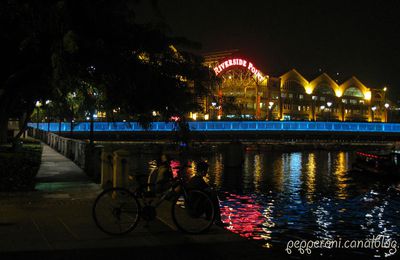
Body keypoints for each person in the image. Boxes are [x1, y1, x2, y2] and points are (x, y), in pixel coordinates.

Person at [186, 160, 228, 227]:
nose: (207, 172)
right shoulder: (199, 181)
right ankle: (217, 220)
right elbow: (208, 190)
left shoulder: (194, 179)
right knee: (213, 197)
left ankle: (211, 219)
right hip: (195, 209)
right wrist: (219, 194)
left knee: (211, 195)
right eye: (206, 170)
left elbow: (206, 188)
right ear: (203, 171)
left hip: (190, 206)